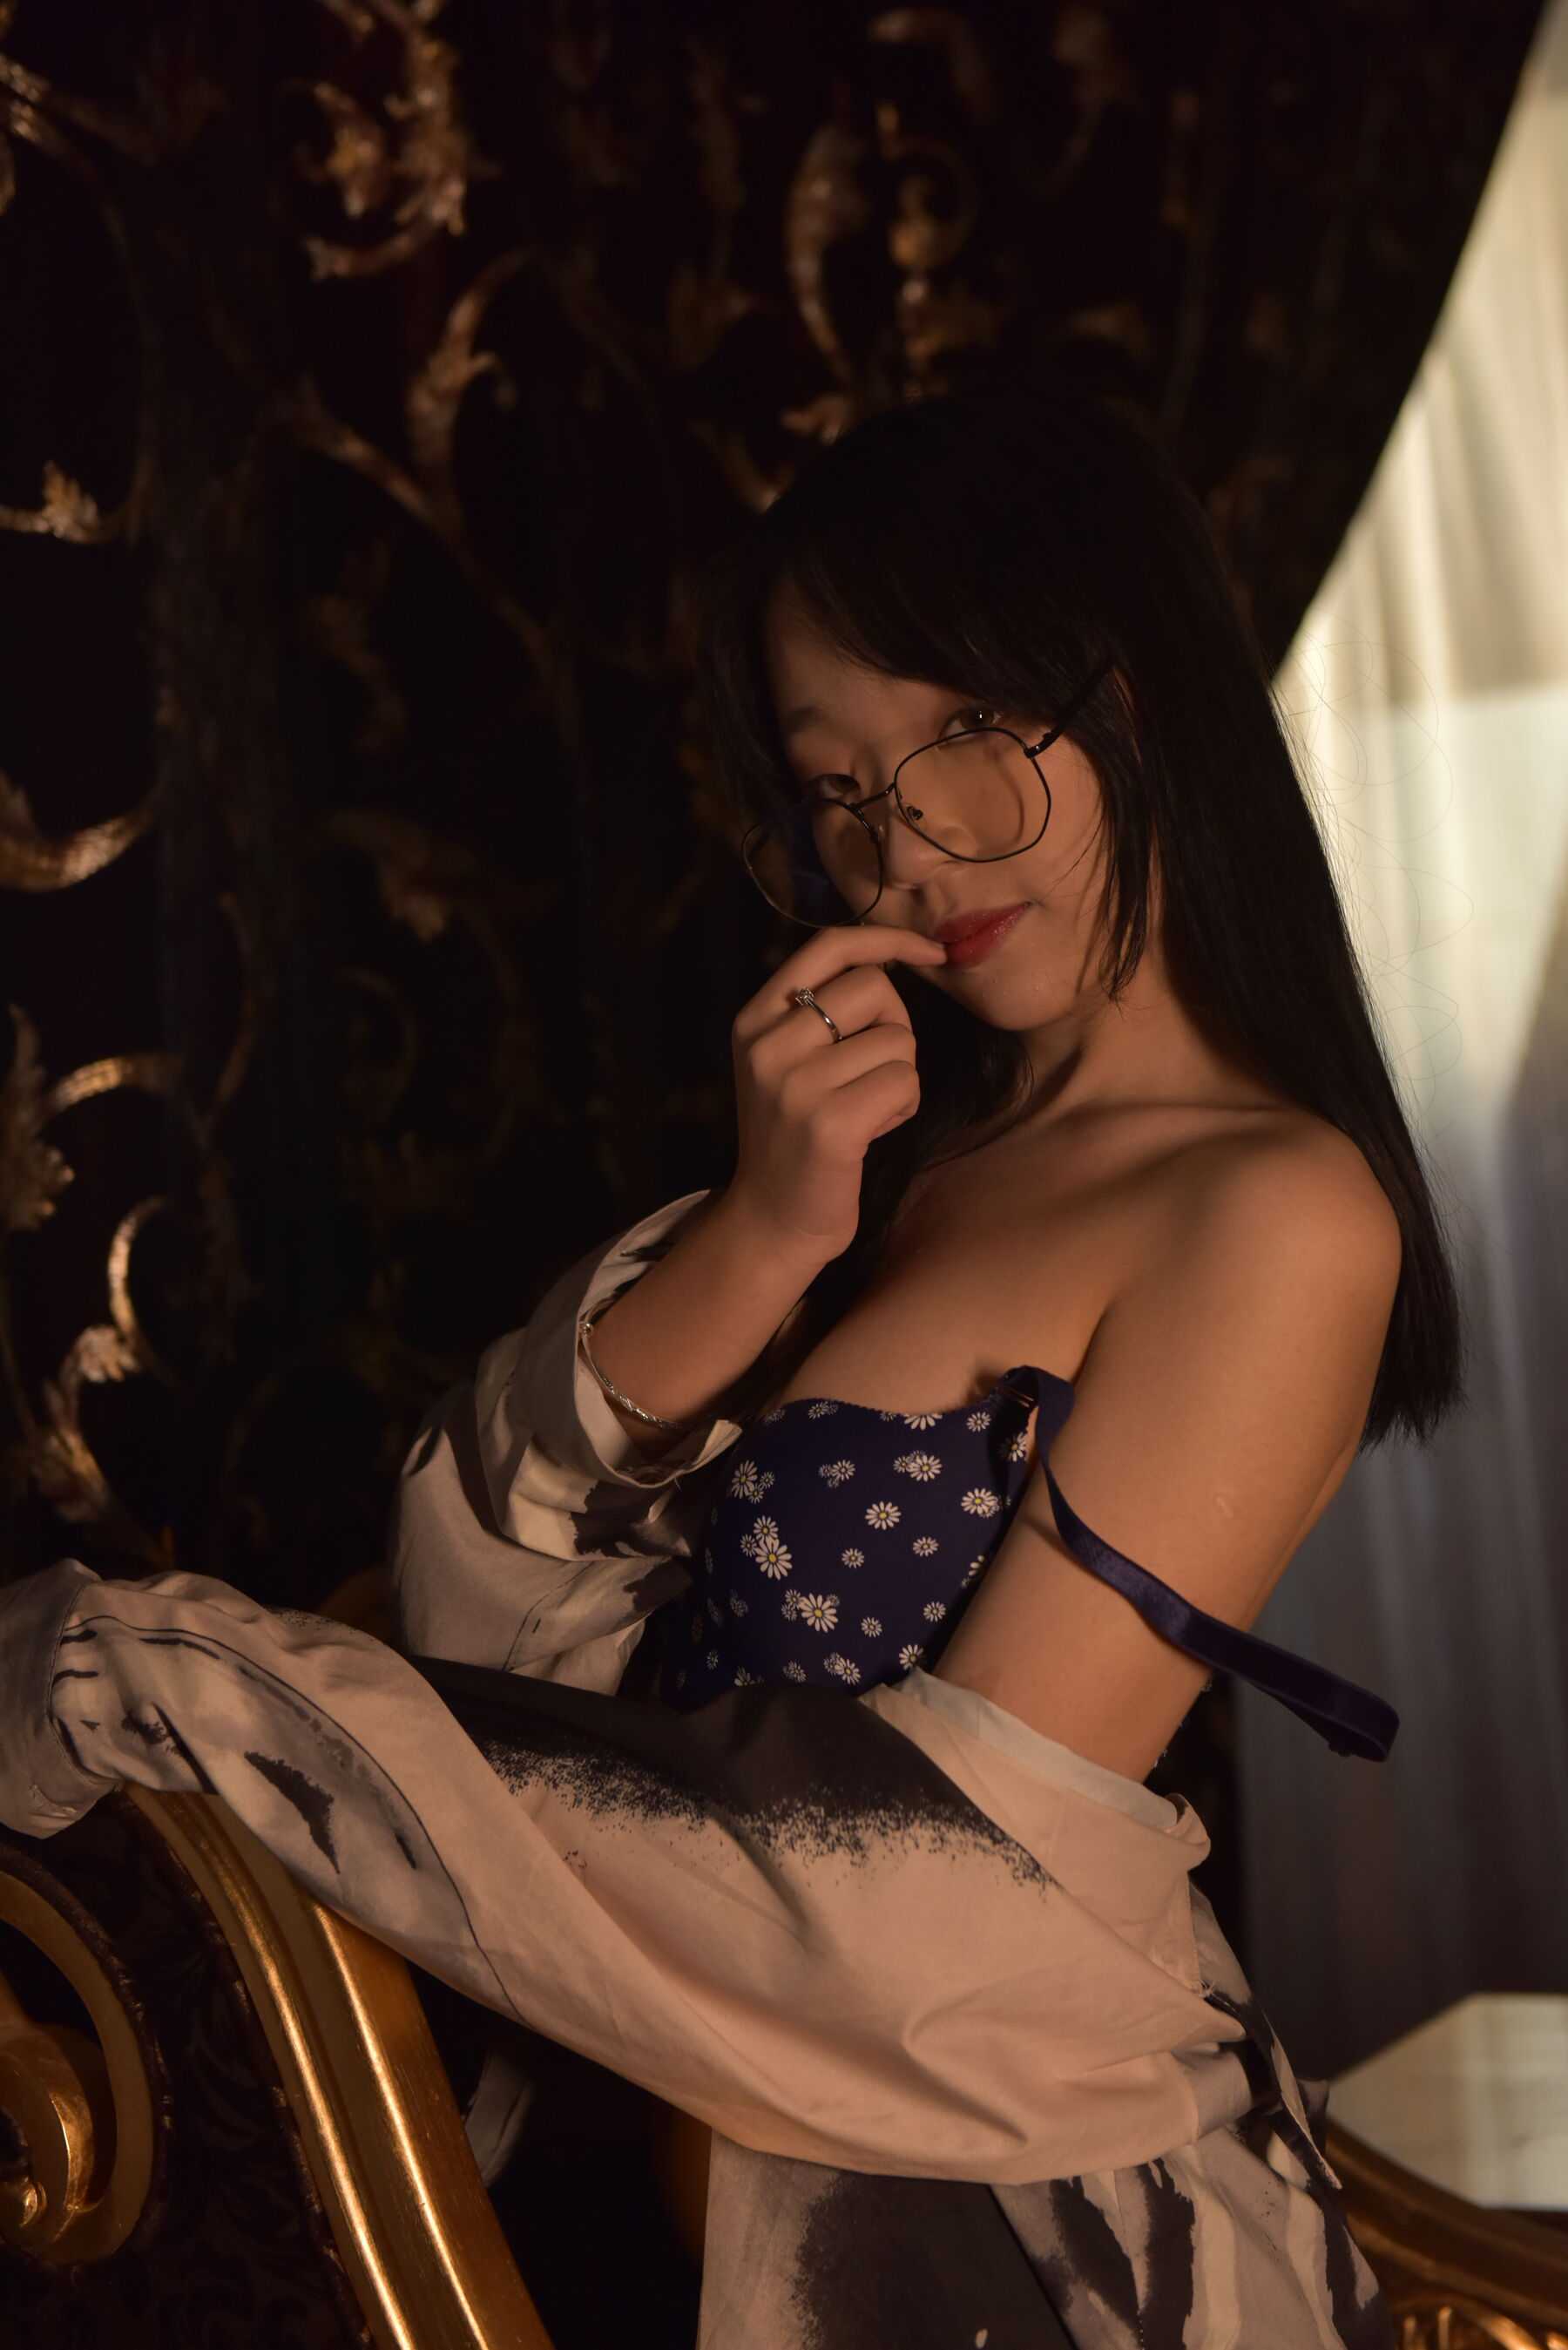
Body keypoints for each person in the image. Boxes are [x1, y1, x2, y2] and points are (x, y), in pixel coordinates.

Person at [0, 373, 1463, 2347]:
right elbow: (484, 1605)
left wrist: (231, 1698)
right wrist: (765, 1231)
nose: (908, 844)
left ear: (1133, 695)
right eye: (836, 784)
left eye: (964, 729)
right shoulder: (906, 1167)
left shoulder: (1279, 1211)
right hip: (649, 2193)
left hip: (992, 2258)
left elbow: (945, 1897)